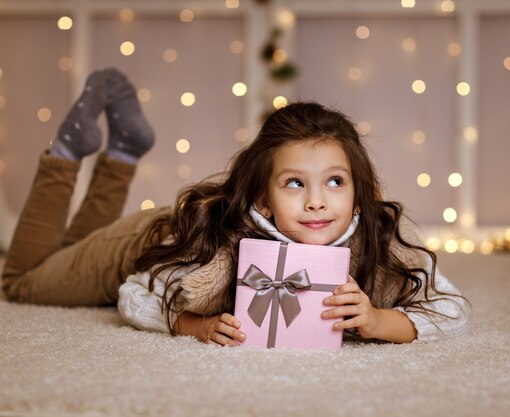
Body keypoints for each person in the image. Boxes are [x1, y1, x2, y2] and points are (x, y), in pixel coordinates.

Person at [2, 69, 470, 346]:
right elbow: (134, 294)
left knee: (65, 250)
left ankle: (122, 150)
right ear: (264, 197)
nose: (316, 201)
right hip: (150, 243)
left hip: (174, 236)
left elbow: (453, 309)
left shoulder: (380, 241)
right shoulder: (220, 245)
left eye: (335, 181)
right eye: (294, 183)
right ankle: (66, 151)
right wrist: (196, 325)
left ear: (357, 191)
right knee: (22, 281)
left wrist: (377, 321)